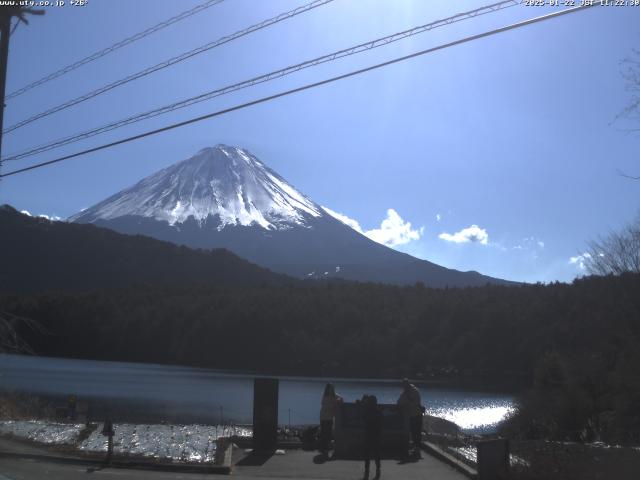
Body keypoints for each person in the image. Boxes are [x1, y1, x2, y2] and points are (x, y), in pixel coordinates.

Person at [397, 378, 424, 454]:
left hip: (417, 414)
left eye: (404, 385)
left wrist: (406, 403)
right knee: (413, 431)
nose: (404, 386)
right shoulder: (406, 392)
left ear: (407, 384)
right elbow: (399, 402)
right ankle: (416, 447)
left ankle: (417, 448)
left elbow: (414, 403)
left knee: (417, 432)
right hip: (412, 415)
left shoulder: (414, 391)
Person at [361, 394, 382, 480]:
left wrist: (362, 402)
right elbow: (381, 422)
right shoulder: (378, 411)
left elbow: (363, 418)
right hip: (376, 434)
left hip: (368, 434)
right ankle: (378, 469)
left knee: (367, 453)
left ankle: (367, 470)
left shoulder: (367, 410)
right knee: (376, 453)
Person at [319, 383, 342, 453]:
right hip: (323, 416)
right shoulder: (325, 396)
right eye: (330, 388)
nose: (331, 390)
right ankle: (323, 447)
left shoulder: (335, 395)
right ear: (327, 389)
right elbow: (328, 405)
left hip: (330, 417)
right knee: (324, 432)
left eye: (332, 388)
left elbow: (341, 398)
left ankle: (326, 447)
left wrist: (339, 400)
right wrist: (336, 402)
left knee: (328, 433)